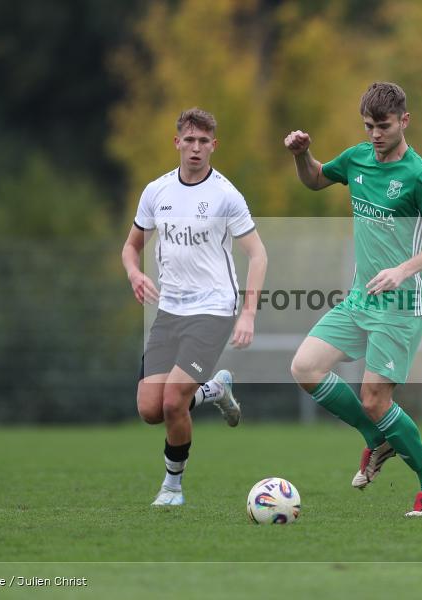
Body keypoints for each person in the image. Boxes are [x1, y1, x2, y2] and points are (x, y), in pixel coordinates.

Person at [284, 82, 422, 517]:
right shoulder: (358, 157)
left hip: (400, 306)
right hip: (360, 300)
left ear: (404, 120)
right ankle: (378, 438)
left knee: (374, 400)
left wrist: (403, 270)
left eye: (383, 126)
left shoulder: (420, 176)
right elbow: (314, 180)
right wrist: (300, 155)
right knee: (304, 367)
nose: (375, 135)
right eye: (368, 126)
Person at [122, 108, 267, 506]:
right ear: (177, 143)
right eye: (189, 140)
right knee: (150, 409)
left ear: (213, 146)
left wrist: (248, 313)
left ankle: (172, 487)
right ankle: (215, 389)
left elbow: (258, 255)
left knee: (173, 401)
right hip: (169, 312)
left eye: (204, 141)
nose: (196, 148)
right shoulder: (157, 192)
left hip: (214, 309)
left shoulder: (225, 195)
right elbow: (131, 246)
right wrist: (135, 274)